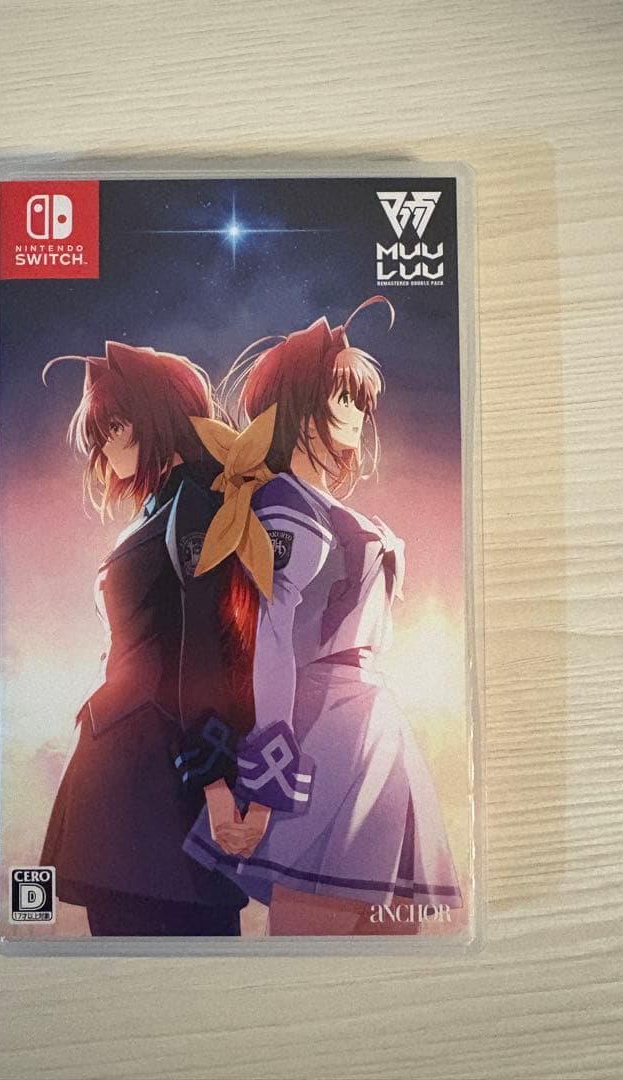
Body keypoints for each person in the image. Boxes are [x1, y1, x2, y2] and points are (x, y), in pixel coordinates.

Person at [184, 297, 463, 935]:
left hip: (371, 730)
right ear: (300, 407)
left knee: (388, 929)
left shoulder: (313, 506)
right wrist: (266, 788)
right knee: (319, 925)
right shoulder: (287, 508)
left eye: (362, 401)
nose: (359, 414)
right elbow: (271, 644)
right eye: (344, 397)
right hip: (321, 736)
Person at [39, 340, 253, 936]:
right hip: (130, 777)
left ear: (157, 414)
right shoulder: (162, 506)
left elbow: (208, 646)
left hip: (161, 779)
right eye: (100, 431)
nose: (106, 446)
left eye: (116, 425)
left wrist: (215, 781)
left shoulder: (196, 502)